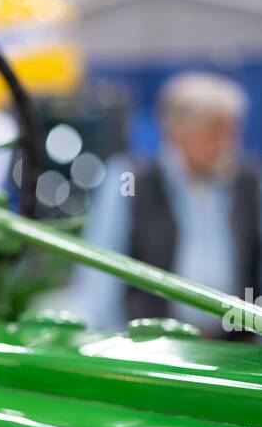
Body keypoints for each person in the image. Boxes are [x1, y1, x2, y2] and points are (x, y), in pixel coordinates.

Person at [69, 73, 261, 335]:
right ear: (176, 132)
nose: (225, 145)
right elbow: (100, 279)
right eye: (213, 133)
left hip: (233, 346)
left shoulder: (249, 182)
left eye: (230, 132)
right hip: (153, 346)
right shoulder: (128, 179)